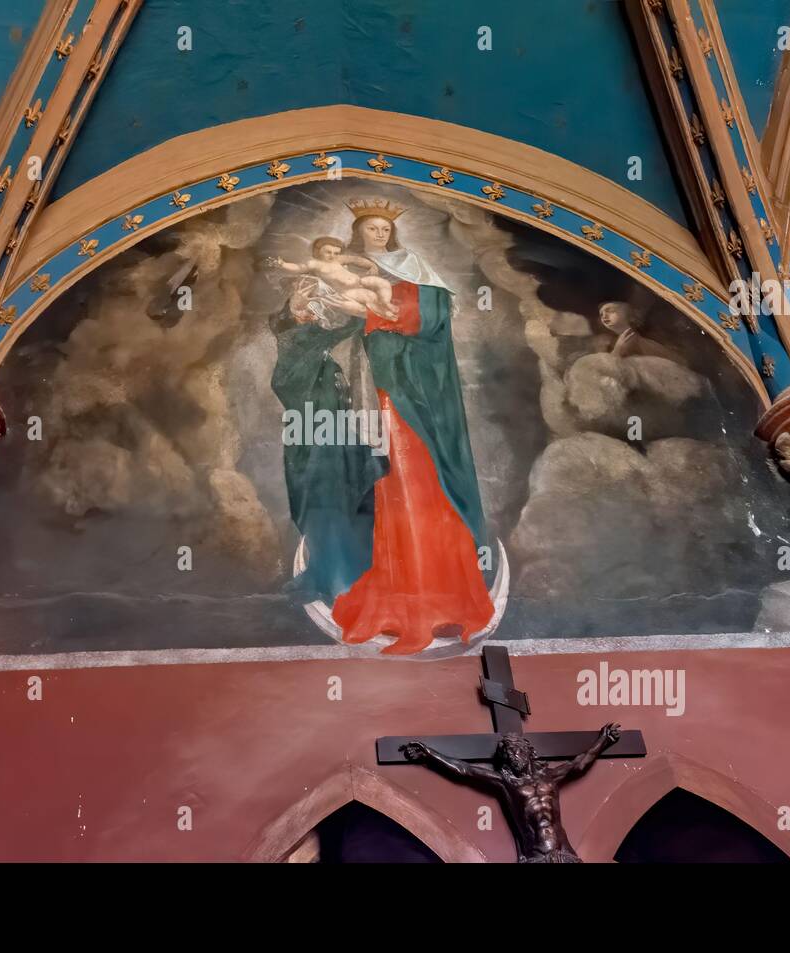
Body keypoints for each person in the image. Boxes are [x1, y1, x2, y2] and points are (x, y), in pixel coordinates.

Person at [270, 198, 493, 654]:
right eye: (369, 228)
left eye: (383, 229)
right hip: (349, 397)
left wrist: (379, 314)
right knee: (348, 485)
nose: (378, 235)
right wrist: (300, 311)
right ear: (356, 234)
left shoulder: (413, 267)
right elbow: (303, 322)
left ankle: (427, 593)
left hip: (399, 397)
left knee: (410, 486)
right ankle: (352, 573)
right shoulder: (339, 270)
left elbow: (430, 317)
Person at [402, 724, 622, 863]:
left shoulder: (550, 776)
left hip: (566, 855)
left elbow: (579, 764)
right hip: (537, 857)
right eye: (507, 753)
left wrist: (604, 741)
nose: (512, 755)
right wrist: (430, 754)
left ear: (527, 752)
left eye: (516, 750)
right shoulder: (507, 783)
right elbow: (465, 770)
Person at [266, 237, 398, 318]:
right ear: (319, 251)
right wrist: (282, 264)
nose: (332, 255)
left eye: (336, 253)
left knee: (382, 283)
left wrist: (371, 265)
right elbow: (298, 267)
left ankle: (386, 303)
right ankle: (384, 313)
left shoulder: (338, 259)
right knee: (369, 296)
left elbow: (356, 260)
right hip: (346, 291)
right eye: (328, 252)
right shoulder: (315, 263)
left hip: (359, 281)